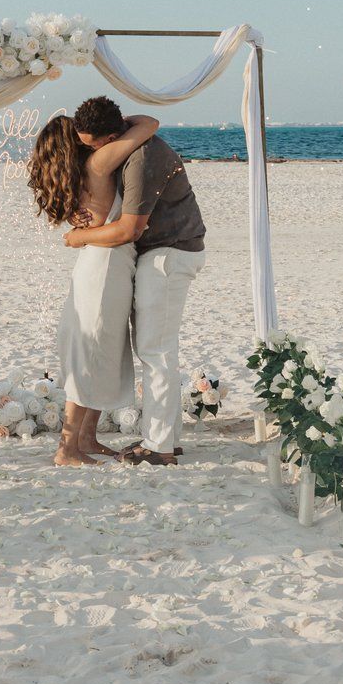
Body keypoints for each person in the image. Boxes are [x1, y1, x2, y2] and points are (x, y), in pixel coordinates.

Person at [63, 96, 205, 466]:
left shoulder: (141, 160)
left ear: (111, 137)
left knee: (155, 352)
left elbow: (129, 228)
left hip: (168, 254)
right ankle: (167, 440)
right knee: (159, 350)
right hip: (165, 252)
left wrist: (80, 238)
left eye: (92, 144)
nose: (89, 153)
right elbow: (145, 120)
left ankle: (158, 448)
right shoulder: (134, 143)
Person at [26, 108, 158, 466]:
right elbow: (149, 124)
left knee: (100, 352)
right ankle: (67, 448)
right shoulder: (98, 164)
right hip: (105, 268)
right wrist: (118, 124)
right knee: (90, 354)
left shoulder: (79, 176)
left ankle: (86, 438)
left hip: (101, 264)